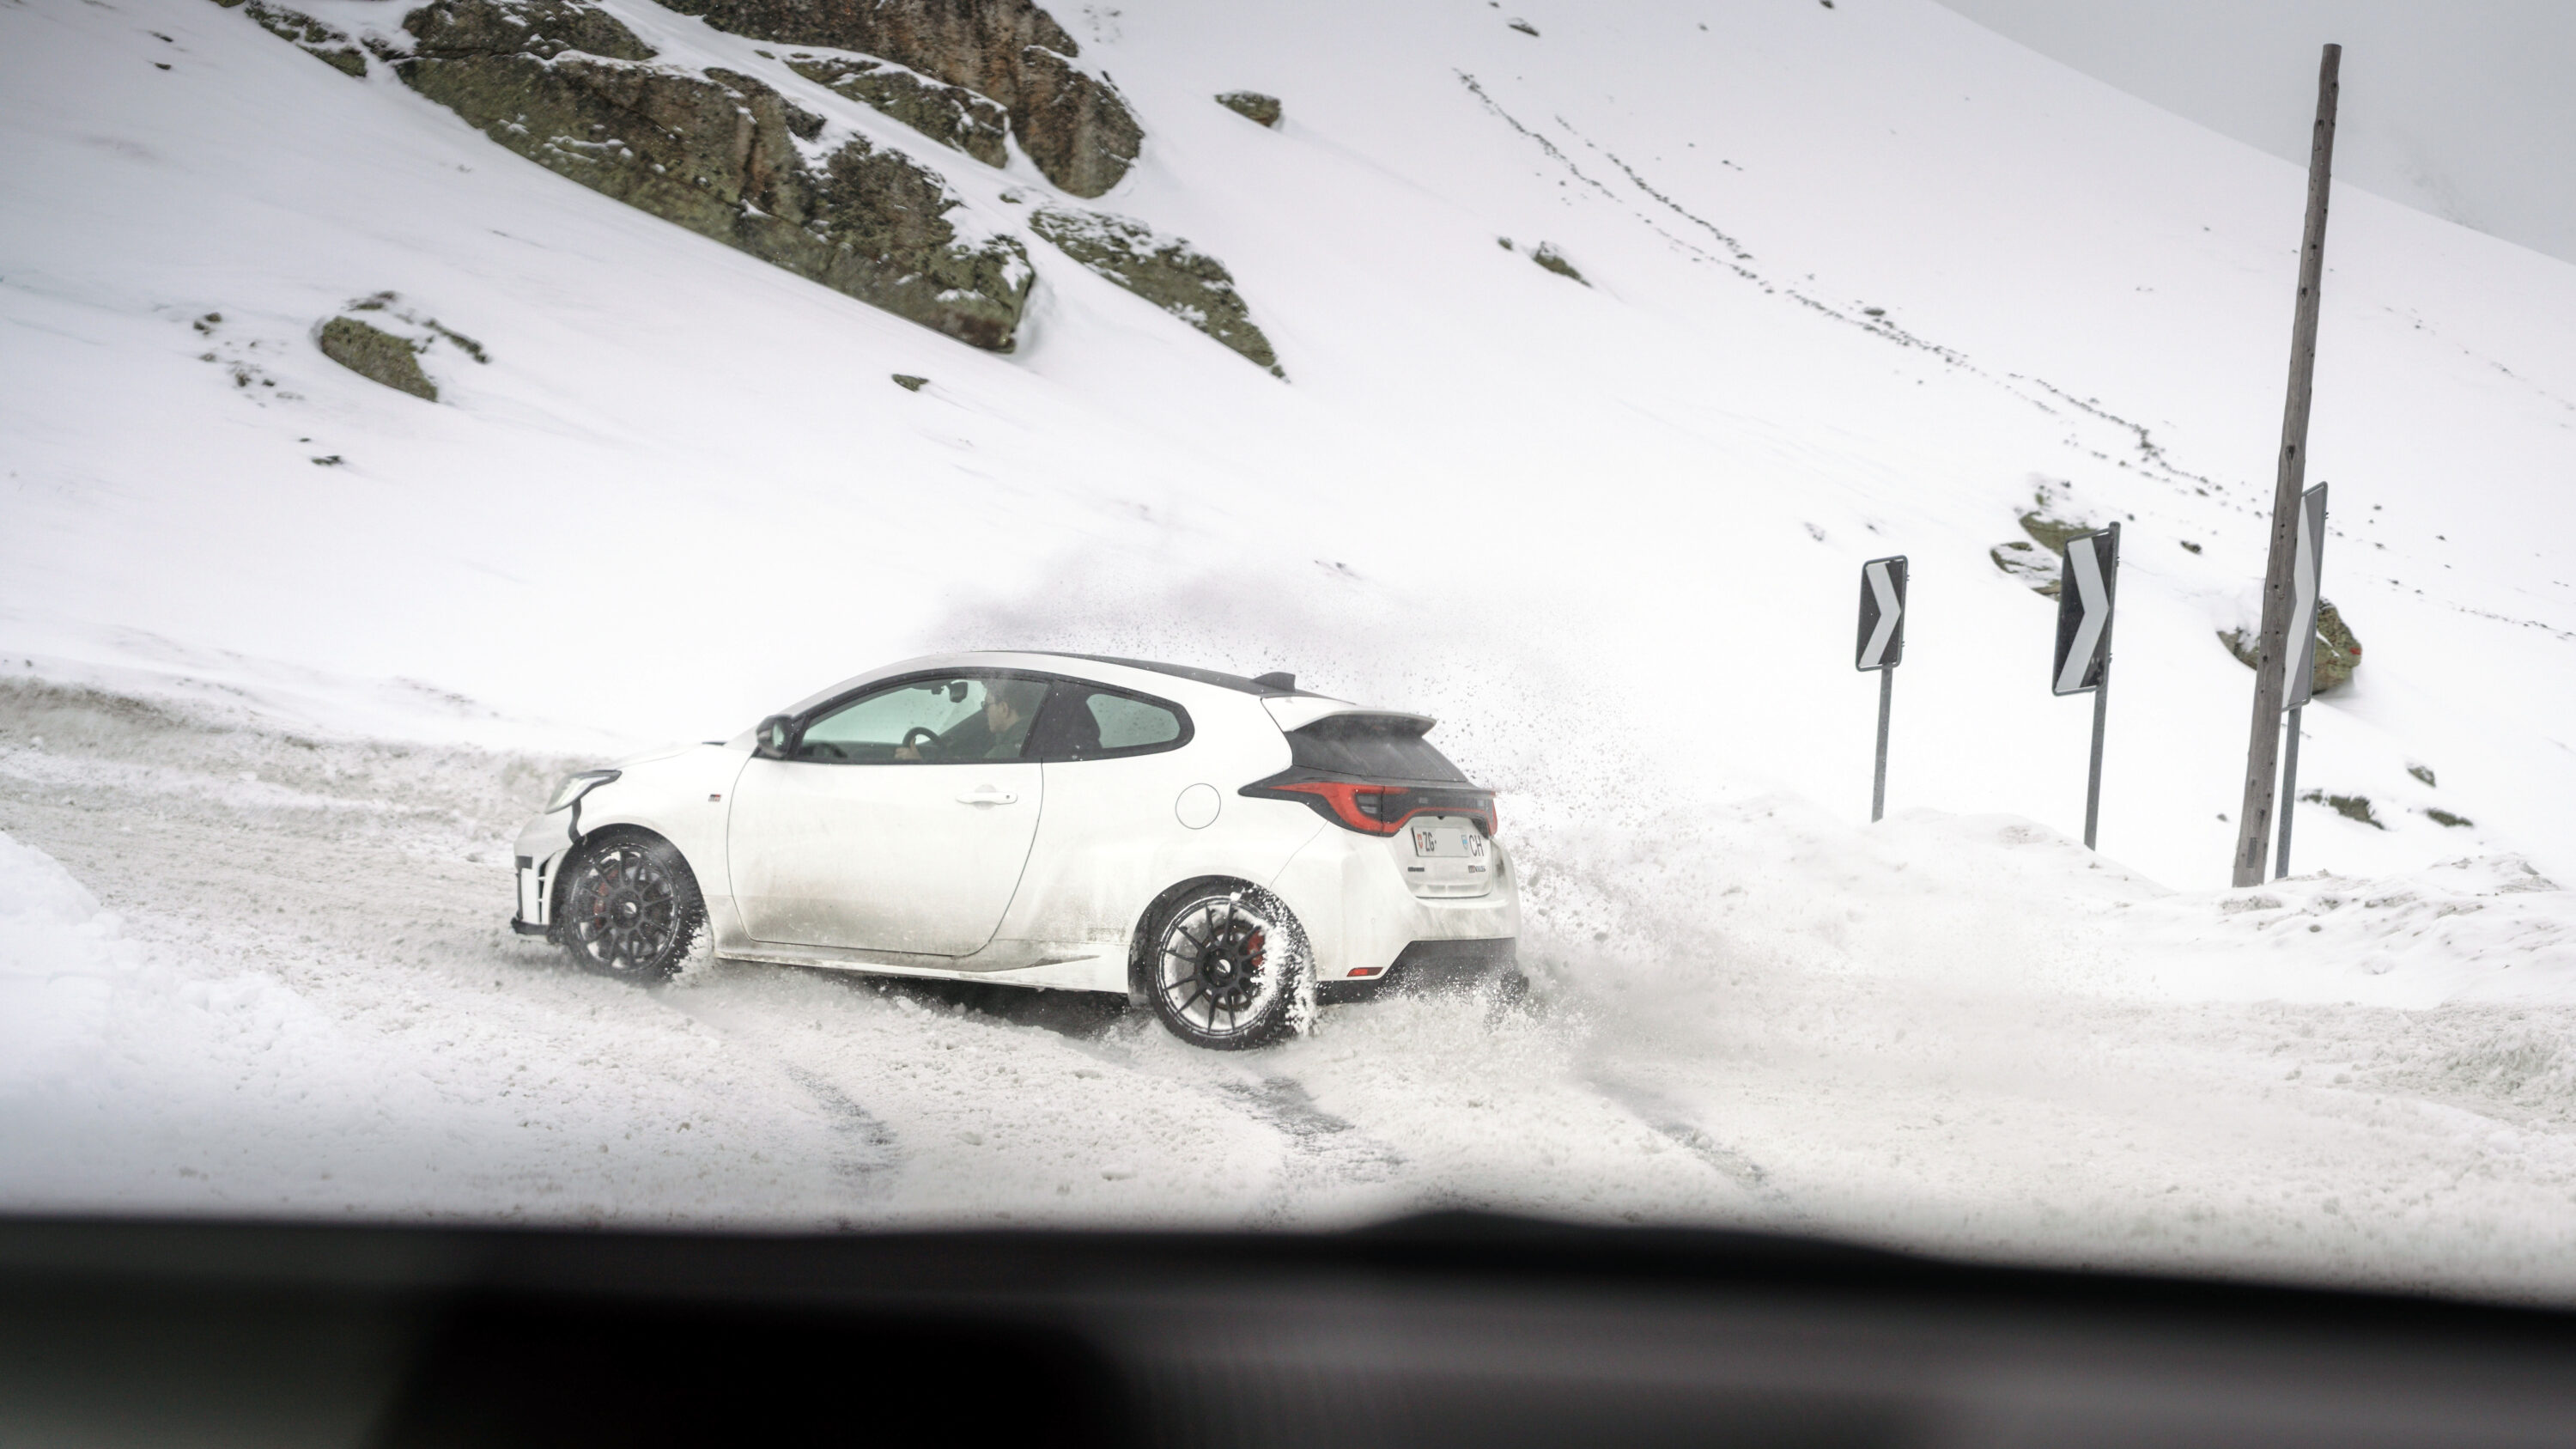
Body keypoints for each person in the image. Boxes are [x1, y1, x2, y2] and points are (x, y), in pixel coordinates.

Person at [895, 678, 1043, 761]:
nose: (985, 712)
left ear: (1004, 708)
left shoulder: (1004, 753)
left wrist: (919, 765)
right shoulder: (1030, 740)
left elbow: (962, 791)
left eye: (986, 706)